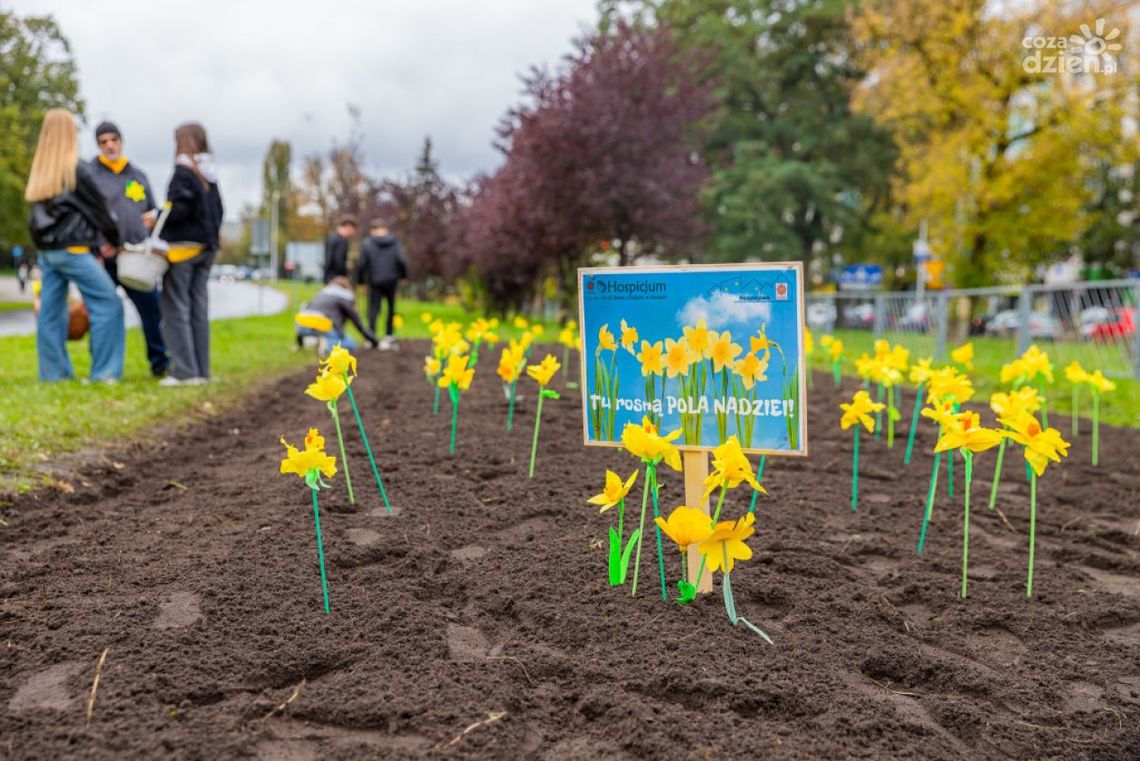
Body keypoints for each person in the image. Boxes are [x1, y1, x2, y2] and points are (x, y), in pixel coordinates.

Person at [25, 108, 124, 382]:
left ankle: (53, 375)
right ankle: (105, 373)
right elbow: (101, 211)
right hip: (74, 251)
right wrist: (115, 241)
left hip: (48, 253)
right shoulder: (76, 170)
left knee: (50, 312)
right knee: (108, 304)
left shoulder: (41, 171)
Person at [89, 120, 169, 377]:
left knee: (151, 309)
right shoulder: (90, 175)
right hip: (104, 258)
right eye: (104, 141)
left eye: (114, 139)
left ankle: (159, 363)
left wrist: (151, 220)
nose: (110, 145)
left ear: (121, 141)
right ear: (98, 145)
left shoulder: (137, 175)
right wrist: (97, 248)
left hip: (135, 256)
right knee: (102, 313)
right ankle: (102, 367)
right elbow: (84, 215)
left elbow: (152, 209)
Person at [158, 122, 223, 386]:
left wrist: (159, 219)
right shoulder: (210, 175)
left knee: (176, 309)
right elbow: (220, 213)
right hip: (207, 250)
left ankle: (184, 371)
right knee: (198, 309)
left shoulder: (184, 173)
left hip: (182, 251)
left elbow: (178, 210)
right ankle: (201, 371)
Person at [354, 218, 407, 350]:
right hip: (391, 279)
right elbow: (401, 260)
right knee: (391, 308)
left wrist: (360, 280)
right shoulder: (394, 243)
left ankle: (371, 336)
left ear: (372, 230)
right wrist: (403, 276)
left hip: (374, 280)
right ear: (386, 230)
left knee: (373, 308)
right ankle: (389, 334)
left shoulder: (368, 243)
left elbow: (362, 264)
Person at [294, 276, 379, 352]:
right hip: (322, 325)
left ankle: (312, 341)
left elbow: (306, 311)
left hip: (301, 326)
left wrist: (299, 343)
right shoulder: (345, 298)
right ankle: (327, 344)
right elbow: (359, 326)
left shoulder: (322, 293)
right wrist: (376, 342)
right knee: (351, 344)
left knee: (318, 331)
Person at [322, 215, 357, 283]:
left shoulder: (331, 238)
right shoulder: (341, 241)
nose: (353, 232)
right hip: (336, 278)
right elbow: (339, 262)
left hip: (329, 276)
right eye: (353, 229)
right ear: (348, 226)